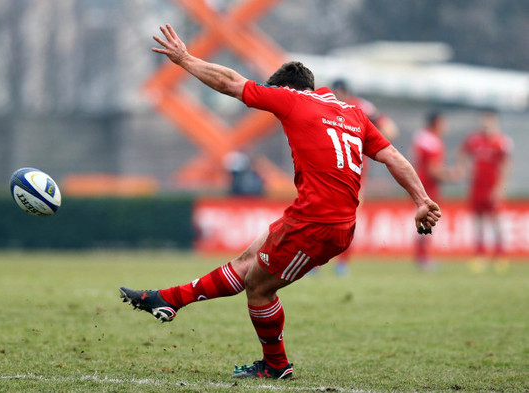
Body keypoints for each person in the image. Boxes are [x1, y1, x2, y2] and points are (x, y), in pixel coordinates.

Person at [119, 24, 441, 380]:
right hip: (318, 217)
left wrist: (185, 59)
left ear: (286, 89)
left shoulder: (292, 99)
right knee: (248, 260)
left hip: (317, 223)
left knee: (258, 288)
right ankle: (170, 300)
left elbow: (231, 82)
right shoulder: (354, 114)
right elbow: (392, 154)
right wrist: (421, 199)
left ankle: (276, 366)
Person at [330, 79, 400, 275]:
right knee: (333, 216)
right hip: (337, 169)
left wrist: (371, 144)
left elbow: (390, 130)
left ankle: (341, 263)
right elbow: (390, 130)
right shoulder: (349, 106)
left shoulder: (357, 106)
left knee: (348, 217)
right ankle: (326, 263)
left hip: (351, 170)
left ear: (342, 92)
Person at [457, 110, 512, 273]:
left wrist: (501, 188)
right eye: (484, 120)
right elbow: (462, 153)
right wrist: (465, 169)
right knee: (478, 221)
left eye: (489, 121)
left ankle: (500, 255)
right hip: (477, 187)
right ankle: (479, 255)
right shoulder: (474, 140)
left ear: (495, 122)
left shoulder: (501, 142)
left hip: (492, 186)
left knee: (496, 221)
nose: (485, 124)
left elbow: (506, 166)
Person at [411, 111, 458, 270]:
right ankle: (423, 259)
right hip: (428, 187)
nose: (445, 126)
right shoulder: (433, 141)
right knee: (427, 221)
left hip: (418, 185)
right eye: (443, 122)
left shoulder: (421, 137)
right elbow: (433, 169)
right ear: (436, 122)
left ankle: (421, 257)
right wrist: (451, 175)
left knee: (423, 221)